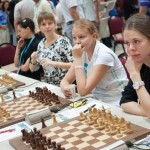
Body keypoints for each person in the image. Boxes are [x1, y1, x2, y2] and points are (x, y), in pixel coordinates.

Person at [60, 19, 128, 102]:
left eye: (81, 37)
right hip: (97, 99)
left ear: (94, 36)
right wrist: (65, 88)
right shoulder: (83, 51)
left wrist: (77, 59)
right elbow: (65, 80)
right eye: (74, 38)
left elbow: (83, 91)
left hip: (117, 100)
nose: (77, 42)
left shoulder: (104, 54)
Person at [30, 12, 73, 86]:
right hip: (48, 84)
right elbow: (33, 69)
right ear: (39, 28)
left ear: (55, 24)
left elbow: (74, 65)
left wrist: (52, 63)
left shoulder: (63, 41)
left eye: (50, 23)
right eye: (43, 24)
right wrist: (33, 59)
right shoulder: (41, 44)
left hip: (64, 84)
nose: (47, 26)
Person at [120, 14, 150, 119]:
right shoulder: (140, 64)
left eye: (136, 41)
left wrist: (135, 75)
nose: (131, 48)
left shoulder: (136, 69)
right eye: (127, 43)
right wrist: (146, 110)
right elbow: (125, 102)